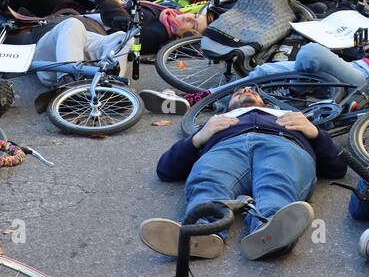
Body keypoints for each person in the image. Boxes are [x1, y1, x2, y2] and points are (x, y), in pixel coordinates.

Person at [142, 84, 346, 261]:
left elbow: (338, 167)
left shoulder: (291, 118)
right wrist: (197, 138)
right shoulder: (215, 122)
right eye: (237, 92)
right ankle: (200, 232)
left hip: (282, 145)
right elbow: (165, 170)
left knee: (276, 182)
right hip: (226, 147)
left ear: (265, 103)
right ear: (227, 106)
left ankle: (269, 229)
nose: (246, 90)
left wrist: (317, 134)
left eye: (252, 91)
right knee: (209, 181)